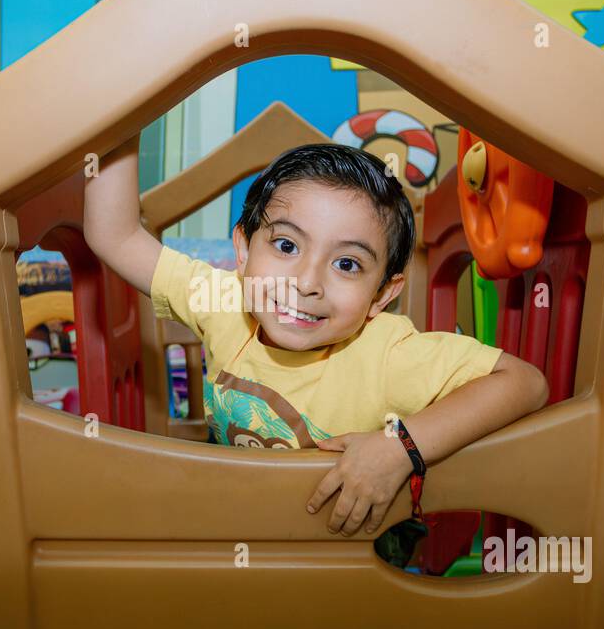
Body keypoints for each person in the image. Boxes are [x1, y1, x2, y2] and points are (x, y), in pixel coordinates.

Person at [84, 136, 548, 538]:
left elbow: (524, 382)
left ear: (383, 294)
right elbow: (115, 235)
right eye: (286, 246)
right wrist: (124, 110)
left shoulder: (388, 353)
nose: (306, 282)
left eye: (347, 264)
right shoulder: (222, 299)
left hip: (344, 557)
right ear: (243, 250)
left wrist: (400, 447)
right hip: (236, 529)